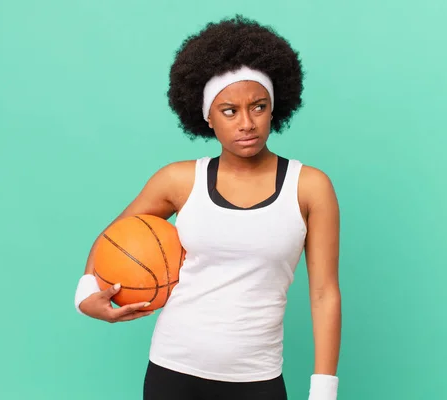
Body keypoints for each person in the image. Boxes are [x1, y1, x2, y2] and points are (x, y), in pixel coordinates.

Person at [74, 15, 341, 400]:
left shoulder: (310, 187)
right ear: (207, 117)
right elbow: (113, 237)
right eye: (229, 111)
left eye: (258, 107)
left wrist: (323, 389)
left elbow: (324, 293)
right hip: (173, 370)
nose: (246, 123)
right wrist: (86, 296)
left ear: (273, 108)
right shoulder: (179, 181)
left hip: (258, 378)